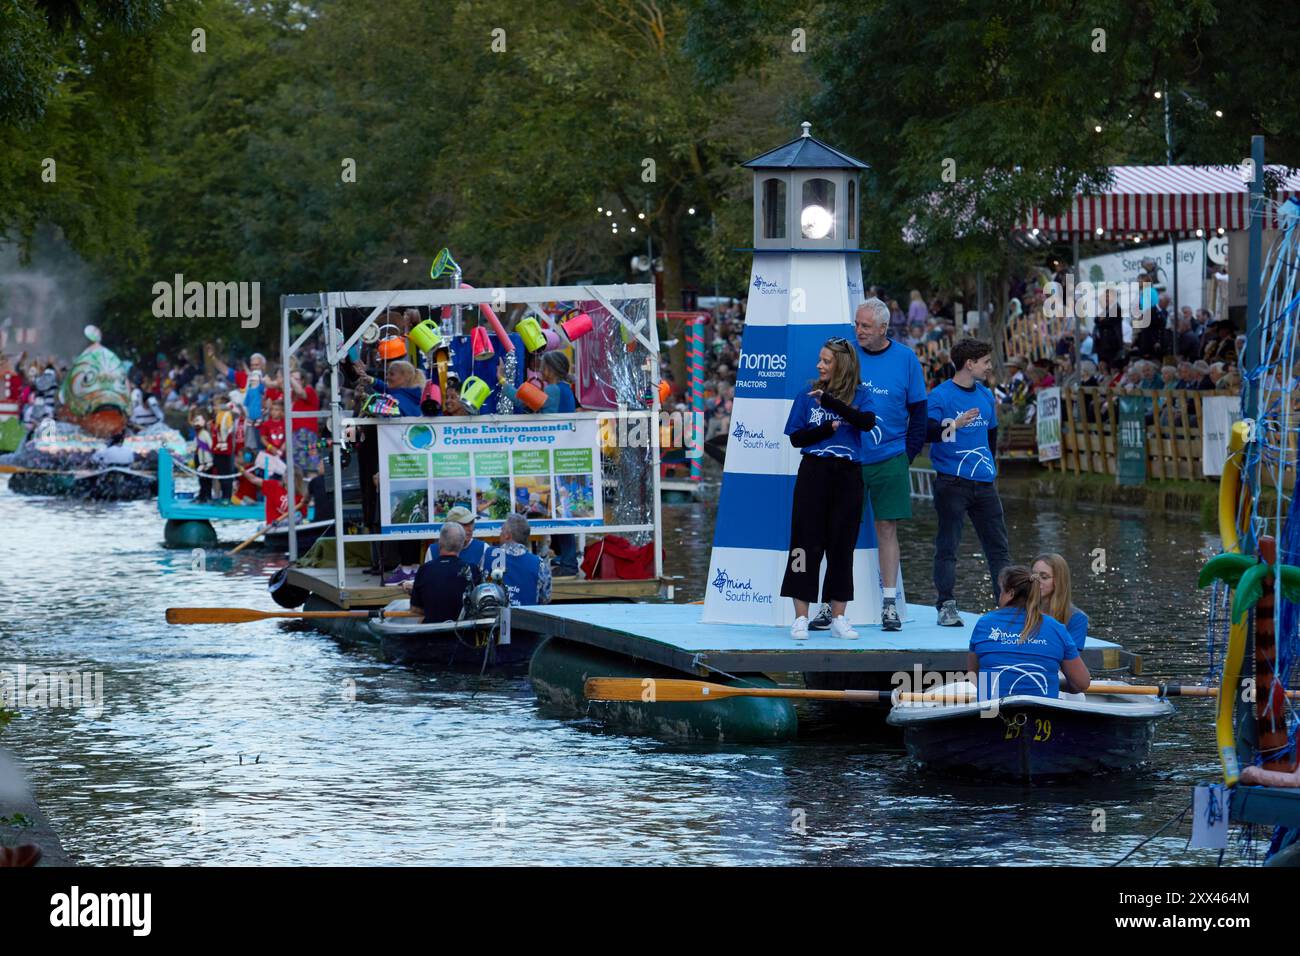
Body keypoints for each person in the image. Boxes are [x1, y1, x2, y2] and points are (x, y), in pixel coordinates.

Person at [781, 337, 877, 641]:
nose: (820, 365)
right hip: (814, 472)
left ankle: (838, 617)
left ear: (842, 366)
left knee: (842, 546)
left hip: (848, 475)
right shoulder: (807, 395)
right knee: (804, 545)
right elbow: (796, 439)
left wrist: (832, 403)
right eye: (820, 360)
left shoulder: (862, 395)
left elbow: (866, 422)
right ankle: (800, 618)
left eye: (826, 361)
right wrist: (824, 429)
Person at [852, 298, 927, 632]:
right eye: (857, 325)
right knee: (840, 529)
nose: (859, 331)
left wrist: (907, 455)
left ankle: (888, 603)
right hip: (851, 458)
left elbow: (920, 411)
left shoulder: (906, 359)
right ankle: (830, 603)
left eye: (865, 326)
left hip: (890, 457)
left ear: (883, 328)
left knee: (887, 529)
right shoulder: (848, 356)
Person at [926, 337, 1012, 626]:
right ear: (969, 364)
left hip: (984, 484)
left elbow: (992, 435)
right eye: (986, 362)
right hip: (952, 483)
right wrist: (955, 424)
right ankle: (946, 605)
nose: (989, 367)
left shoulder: (986, 395)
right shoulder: (940, 396)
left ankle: (1007, 606)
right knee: (948, 545)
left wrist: (990, 467)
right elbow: (926, 432)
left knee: (998, 548)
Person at [967, 565, 1091, 700]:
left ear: (1011, 593)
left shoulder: (984, 623)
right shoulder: (1056, 628)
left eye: (1001, 591)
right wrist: (1054, 683)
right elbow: (1081, 684)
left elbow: (973, 674)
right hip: (1042, 715)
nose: (1000, 596)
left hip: (992, 713)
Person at [408, 522, 483, 623]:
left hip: (430, 633)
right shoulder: (472, 569)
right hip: (463, 633)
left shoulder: (424, 570)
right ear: (461, 545)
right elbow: (479, 606)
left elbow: (415, 608)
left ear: (440, 542)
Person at [484, 513, 551, 606]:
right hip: (527, 618)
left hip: (496, 617)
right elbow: (545, 599)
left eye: (502, 530)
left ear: (507, 535)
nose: (500, 533)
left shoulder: (488, 554)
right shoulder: (540, 564)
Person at [1031, 553, 1088, 653]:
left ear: (1059, 581)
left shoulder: (1077, 618)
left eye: (1044, 577)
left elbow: (1071, 659)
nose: (1037, 581)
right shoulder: (1021, 610)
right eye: (1034, 577)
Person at [423, 505, 490, 569]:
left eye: (471, 523)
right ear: (450, 527)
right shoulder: (433, 550)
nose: (470, 528)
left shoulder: (483, 548)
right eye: (464, 524)